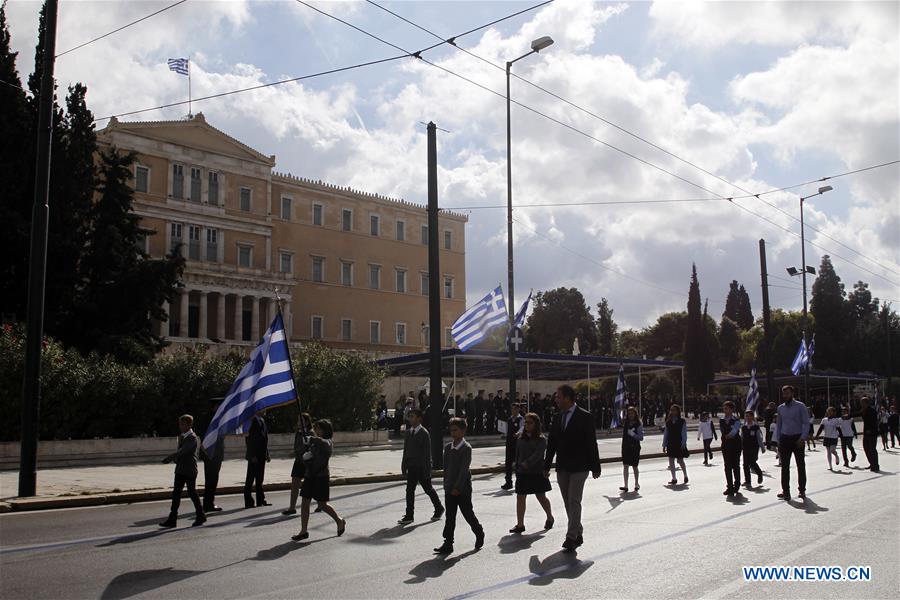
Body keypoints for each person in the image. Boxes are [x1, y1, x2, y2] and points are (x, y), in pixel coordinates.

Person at [544, 384, 601, 552]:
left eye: (559, 396)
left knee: (574, 500)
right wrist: (546, 466)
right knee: (568, 502)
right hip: (563, 466)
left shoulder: (585, 417)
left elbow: (591, 443)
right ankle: (578, 531)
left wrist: (595, 466)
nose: (556, 399)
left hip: (580, 466)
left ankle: (571, 536)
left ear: (568, 398)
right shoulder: (557, 417)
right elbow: (552, 444)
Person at [433, 418, 484, 554]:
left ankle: (479, 532)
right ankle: (448, 543)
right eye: (451, 430)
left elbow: (463, 470)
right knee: (450, 517)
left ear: (463, 431)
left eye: (456, 430)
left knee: (467, 513)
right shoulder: (448, 448)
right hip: (449, 488)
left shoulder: (466, 448)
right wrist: (447, 485)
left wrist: (457, 487)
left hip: (463, 489)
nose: (453, 433)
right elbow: (446, 468)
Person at [291, 419, 346, 541]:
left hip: (321, 477)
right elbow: (307, 457)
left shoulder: (327, 442)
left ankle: (339, 520)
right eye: (315, 428)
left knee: (322, 504)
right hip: (310, 476)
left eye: (318, 428)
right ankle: (303, 531)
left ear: (325, 430)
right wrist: (305, 457)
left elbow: (325, 444)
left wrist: (311, 439)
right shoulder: (314, 443)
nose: (316, 430)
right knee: (305, 502)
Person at [510, 412, 554, 533]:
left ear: (536, 424)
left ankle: (550, 517)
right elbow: (517, 453)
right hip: (522, 473)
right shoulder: (520, 438)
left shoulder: (541, 439)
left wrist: (527, 463)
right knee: (520, 497)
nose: (527, 425)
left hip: (536, 472)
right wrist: (517, 464)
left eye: (530, 423)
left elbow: (538, 455)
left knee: (541, 496)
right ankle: (520, 525)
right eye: (526, 422)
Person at [398, 409, 444, 524]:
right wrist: (404, 466)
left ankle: (439, 508)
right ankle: (409, 515)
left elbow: (427, 454)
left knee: (428, 489)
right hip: (412, 466)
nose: (410, 419)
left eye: (413, 416)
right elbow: (406, 450)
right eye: (409, 417)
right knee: (409, 490)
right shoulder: (408, 433)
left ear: (419, 419)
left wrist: (427, 470)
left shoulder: (424, 433)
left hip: (421, 467)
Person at [159, 414, 206, 528]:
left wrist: (170, 457)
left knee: (192, 493)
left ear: (189, 424)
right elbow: (180, 451)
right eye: (180, 424)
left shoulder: (193, 438)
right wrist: (175, 458)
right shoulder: (182, 436)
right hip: (180, 469)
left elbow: (183, 451)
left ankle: (201, 516)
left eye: (183, 424)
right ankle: (172, 519)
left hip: (190, 470)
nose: (180, 426)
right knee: (176, 494)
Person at [774, 385, 809, 500]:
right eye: (784, 394)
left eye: (787, 393)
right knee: (785, 466)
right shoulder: (780, 408)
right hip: (785, 439)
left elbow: (806, 423)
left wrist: (802, 438)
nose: (785, 396)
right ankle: (786, 491)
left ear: (792, 393)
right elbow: (779, 424)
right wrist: (778, 439)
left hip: (797, 438)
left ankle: (802, 490)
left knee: (800, 465)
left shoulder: (800, 406)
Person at [283, 413, 313, 515]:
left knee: (312, 484)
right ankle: (292, 507)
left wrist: (296, 452)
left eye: (301, 420)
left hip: (308, 462)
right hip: (298, 461)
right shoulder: (298, 433)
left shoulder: (310, 433)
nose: (298, 422)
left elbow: (309, 446)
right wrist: (295, 453)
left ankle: (320, 504)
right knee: (295, 483)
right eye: (298, 420)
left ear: (307, 422)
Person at [201, 400, 225, 513]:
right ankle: (208, 504)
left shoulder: (217, 419)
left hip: (216, 454)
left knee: (212, 480)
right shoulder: (210, 420)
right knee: (211, 480)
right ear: (215, 407)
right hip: (211, 454)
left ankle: (209, 502)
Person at [244, 411, 270, 508]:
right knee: (250, 479)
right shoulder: (253, 420)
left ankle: (260, 500)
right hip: (254, 455)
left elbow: (264, 439)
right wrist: (252, 455)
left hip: (261, 455)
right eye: (263, 408)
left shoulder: (261, 420)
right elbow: (250, 440)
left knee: (259, 479)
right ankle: (248, 501)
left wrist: (267, 453)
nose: (265, 410)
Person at [662, 404, 689, 486]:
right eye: (671, 410)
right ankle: (674, 478)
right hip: (671, 442)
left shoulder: (682, 421)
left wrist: (684, 442)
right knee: (671, 460)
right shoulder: (668, 422)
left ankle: (685, 475)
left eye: (674, 410)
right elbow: (666, 433)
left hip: (679, 442)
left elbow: (684, 433)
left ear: (678, 411)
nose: (672, 412)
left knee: (680, 460)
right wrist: (664, 444)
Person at [719, 401, 742, 496]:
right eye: (724, 409)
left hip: (735, 444)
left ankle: (737, 484)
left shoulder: (736, 419)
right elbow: (722, 430)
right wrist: (726, 436)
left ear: (732, 409)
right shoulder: (722, 420)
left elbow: (736, 430)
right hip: (726, 445)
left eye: (727, 408)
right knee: (727, 466)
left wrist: (730, 435)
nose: (725, 411)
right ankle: (729, 486)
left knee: (735, 465)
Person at [620, 406, 643, 493]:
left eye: (632, 413)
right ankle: (625, 485)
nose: (630, 415)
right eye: (629, 413)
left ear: (635, 414)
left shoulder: (638, 424)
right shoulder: (625, 423)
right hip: (626, 446)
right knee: (625, 465)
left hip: (635, 447)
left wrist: (633, 434)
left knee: (634, 466)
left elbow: (641, 437)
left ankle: (636, 483)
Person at [502, 403, 525, 490]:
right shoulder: (509, 419)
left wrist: (518, 433)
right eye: (512, 409)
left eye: (515, 409)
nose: (513, 410)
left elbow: (522, 428)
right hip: (509, 443)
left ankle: (519, 482)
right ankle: (508, 482)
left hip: (517, 444)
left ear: (518, 409)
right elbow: (507, 430)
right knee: (508, 464)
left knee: (518, 464)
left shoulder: (521, 419)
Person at [741, 410, 765, 489]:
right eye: (746, 416)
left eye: (749, 416)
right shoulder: (744, 427)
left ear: (752, 417)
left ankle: (759, 473)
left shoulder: (755, 427)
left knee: (752, 462)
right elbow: (742, 437)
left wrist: (762, 447)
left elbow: (759, 438)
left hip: (754, 447)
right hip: (745, 447)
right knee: (745, 464)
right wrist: (740, 446)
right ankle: (748, 481)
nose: (747, 418)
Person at [815, 406, 841, 471]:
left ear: (833, 412)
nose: (829, 412)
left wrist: (841, 436)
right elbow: (820, 428)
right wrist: (817, 435)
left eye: (830, 411)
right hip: (826, 437)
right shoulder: (824, 420)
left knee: (832, 450)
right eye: (828, 411)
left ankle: (836, 456)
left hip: (834, 437)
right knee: (828, 452)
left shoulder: (836, 420)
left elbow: (839, 429)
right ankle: (830, 466)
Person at [860, 396, 879, 472]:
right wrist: (848, 416)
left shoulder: (872, 411)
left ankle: (876, 466)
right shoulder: (863, 410)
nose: (861, 404)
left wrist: (870, 430)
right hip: (866, 433)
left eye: (862, 402)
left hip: (872, 433)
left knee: (872, 449)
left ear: (866, 403)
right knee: (866, 448)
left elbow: (874, 422)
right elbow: (857, 414)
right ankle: (872, 463)